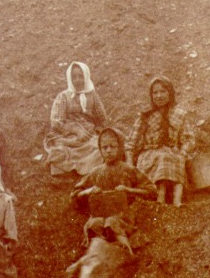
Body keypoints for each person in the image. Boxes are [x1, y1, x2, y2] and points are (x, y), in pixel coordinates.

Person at [126, 76, 195, 207]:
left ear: (170, 93)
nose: (159, 95)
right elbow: (131, 142)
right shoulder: (145, 115)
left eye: (163, 91)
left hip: (172, 153)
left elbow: (189, 139)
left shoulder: (180, 114)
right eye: (155, 92)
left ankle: (176, 201)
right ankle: (159, 198)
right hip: (149, 154)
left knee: (172, 158)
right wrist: (129, 161)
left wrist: (183, 153)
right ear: (151, 96)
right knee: (163, 158)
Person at [71, 127, 156, 217]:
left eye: (112, 146)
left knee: (112, 223)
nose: (108, 151)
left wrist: (128, 190)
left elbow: (151, 191)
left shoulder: (129, 170)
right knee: (94, 225)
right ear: (100, 149)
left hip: (123, 216)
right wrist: (88, 191)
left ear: (120, 148)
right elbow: (75, 194)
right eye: (105, 147)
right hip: (99, 215)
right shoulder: (95, 172)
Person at [43, 62, 108, 176]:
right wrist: (75, 130)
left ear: (86, 77)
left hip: (88, 135)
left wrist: (98, 128)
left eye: (80, 76)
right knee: (59, 150)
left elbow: (102, 117)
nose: (77, 80)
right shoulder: (64, 96)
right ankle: (69, 166)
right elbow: (57, 122)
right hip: (68, 136)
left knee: (98, 149)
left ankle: (87, 168)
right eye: (74, 77)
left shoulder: (92, 95)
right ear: (69, 78)